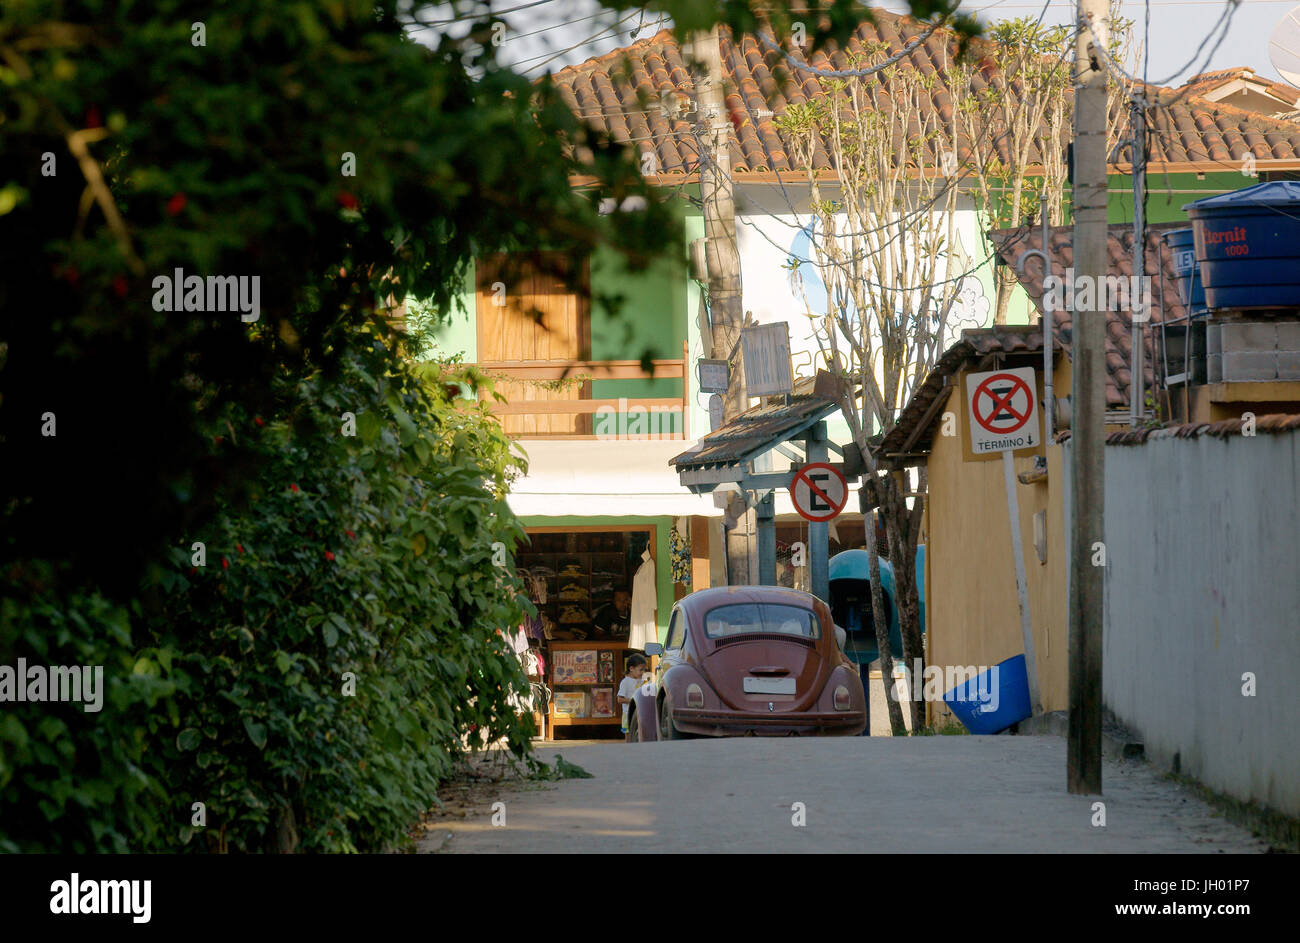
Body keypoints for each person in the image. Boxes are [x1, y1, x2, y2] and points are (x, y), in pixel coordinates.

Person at [618, 653, 648, 740]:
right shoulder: (625, 682)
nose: (643, 672)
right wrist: (634, 701)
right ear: (631, 668)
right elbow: (620, 699)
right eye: (641, 670)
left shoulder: (642, 681)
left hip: (641, 713)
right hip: (628, 714)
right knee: (629, 735)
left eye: (644, 670)